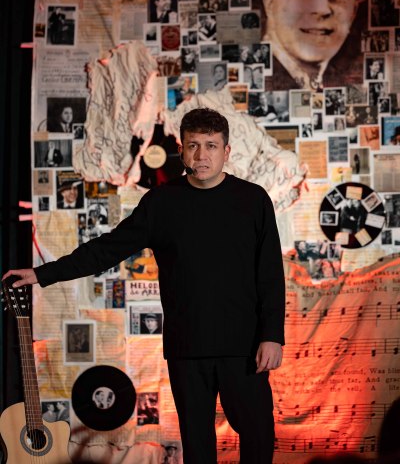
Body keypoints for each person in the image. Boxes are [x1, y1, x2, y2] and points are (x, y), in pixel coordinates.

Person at [4, 108, 285, 464]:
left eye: (211, 146)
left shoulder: (253, 200)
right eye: (193, 146)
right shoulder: (161, 203)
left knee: (259, 436)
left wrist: (272, 335)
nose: (201, 155)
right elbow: (105, 250)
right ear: (181, 151)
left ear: (226, 151)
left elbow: (270, 275)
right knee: (197, 448)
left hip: (244, 346)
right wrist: (42, 274)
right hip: (187, 348)